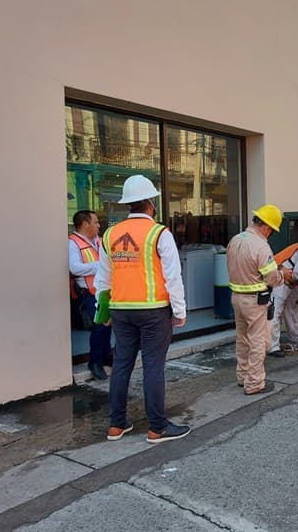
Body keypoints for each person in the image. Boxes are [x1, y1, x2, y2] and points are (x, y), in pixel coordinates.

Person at [95, 175, 191, 444]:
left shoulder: (110, 234)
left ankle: (116, 425)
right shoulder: (159, 233)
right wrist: (180, 311)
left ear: (129, 205)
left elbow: (102, 279)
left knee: (122, 364)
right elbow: (173, 276)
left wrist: (101, 313)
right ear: (150, 203)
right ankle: (157, 428)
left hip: (120, 309)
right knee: (153, 366)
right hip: (153, 311)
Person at [227, 204, 287, 394]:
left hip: (236, 297)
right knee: (258, 341)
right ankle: (254, 384)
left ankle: (242, 376)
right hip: (255, 301)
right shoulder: (261, 246)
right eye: (272, 231)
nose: (271, 234)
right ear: (267, 227)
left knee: (242, 339)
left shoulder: (236, 240)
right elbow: (271, 277)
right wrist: (282, 275)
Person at [69, 210, 113, 380]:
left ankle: (106, 355)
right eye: (95, 222)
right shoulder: (73, 243)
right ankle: (95, 361)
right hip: (88, 292)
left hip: (104, 290)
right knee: (98, 326)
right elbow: (74, 267)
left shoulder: (99, 241)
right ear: (85, 224)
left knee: (107, 324)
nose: (99, 225)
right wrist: (100, 265)